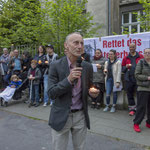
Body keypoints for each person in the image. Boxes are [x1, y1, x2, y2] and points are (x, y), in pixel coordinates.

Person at [48, 32, 99, 150]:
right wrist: (69, 80)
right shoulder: (55, 65)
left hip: (80, 116)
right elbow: (51, 93)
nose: (80, 46)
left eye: (81, 43)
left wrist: (93, 93)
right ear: (66, 45)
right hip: (61, 115)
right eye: (75, 42)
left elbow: (90, 87)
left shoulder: (87, 66)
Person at [122, 43, 144, 116]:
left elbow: (144, 67)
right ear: (129, 48)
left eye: (133, 47)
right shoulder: (126, 58)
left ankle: (139, 109)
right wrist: (126, 67)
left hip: (138, 79)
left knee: (139, 94)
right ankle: (132, 109)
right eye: (130, 47)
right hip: (129, 79)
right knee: (129, 94)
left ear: (135, 47)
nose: (131, 48)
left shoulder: (140, 56)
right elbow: (123, 69)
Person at [133, 48, 150, 132]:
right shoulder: (141, 62)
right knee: (141, 107)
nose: (147, 54)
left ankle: (148, 122)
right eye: (146, 53)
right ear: (143, 54)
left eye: (149, 53)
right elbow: (136, 75)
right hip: (143, 88)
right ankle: (136, 123)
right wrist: (147, 78)